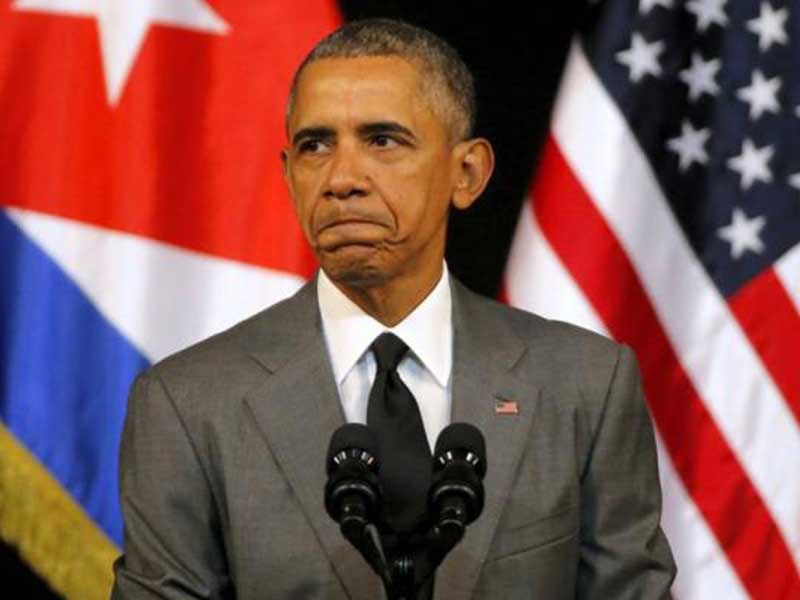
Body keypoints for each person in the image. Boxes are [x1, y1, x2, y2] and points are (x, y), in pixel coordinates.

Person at [111, 18, 675, 599]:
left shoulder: (584, 384)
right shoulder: (187, 404)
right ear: (288, 176)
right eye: (315, 145)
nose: (341, 178)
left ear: (466, 173)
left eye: (382, 140)